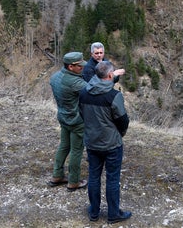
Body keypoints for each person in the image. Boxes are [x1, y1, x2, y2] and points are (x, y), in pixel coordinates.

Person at [79, 61, 132, 224]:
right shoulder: (114, 96)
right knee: (112, 179)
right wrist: (120, 134)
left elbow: (82, 114)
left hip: (92, 142)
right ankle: (113, 214)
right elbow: (123, 121)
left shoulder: (83, 93)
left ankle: (94, 212)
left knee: (94, 177)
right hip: (112, 144)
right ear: (110, 76)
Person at [48, 51, 89, 191]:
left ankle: (57, 175)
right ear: (71, 67)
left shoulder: (54, 78)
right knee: (76, 150)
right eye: (79, 66)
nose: (82, 68)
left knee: (64, 146)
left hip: (63, 117)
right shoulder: (75, 82)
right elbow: (93, 90)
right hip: (77, 120)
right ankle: (73, 181)